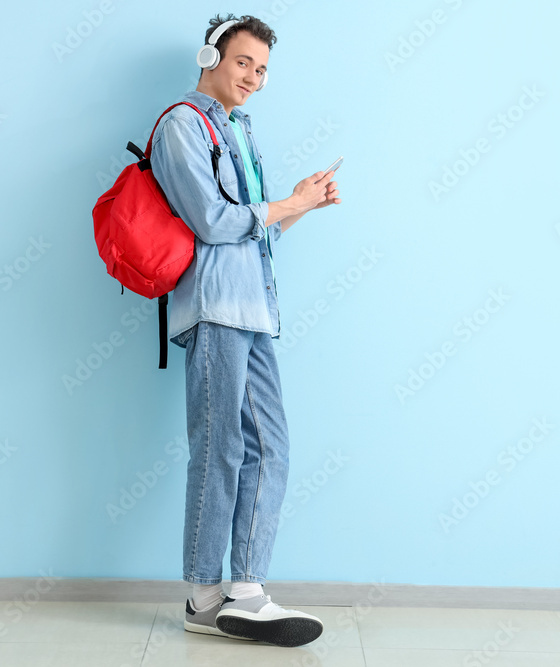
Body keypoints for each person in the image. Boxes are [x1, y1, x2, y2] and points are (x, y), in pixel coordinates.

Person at [149, 13, 340, 648]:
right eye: (243, 63)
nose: (254, 77)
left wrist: (298, 204)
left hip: (254, 310)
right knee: (220, 447)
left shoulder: (240, 132)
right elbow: (211, 220)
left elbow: (253, 231)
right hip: (214, 309)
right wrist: (283, 205)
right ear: (211, 55)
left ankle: (246, 589)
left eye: (262, 69)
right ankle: (207, 596)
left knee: (270, 447)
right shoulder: (183, 124)